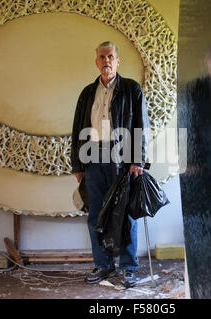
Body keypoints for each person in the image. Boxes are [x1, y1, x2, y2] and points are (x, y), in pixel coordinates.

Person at [71, 41, 150, 288]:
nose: (106, 60)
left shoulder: (131, 89)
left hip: (121, 160)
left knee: (125, 214)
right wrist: (77, 164)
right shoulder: (86, 93)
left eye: (111, 56)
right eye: (102, 57)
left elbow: (141, 126)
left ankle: (128, 268)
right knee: (96, 214)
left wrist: (137, 160)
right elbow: (77, 131)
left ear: (117, 61)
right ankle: (104, 266)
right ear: (97, 62)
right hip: (93, 158)